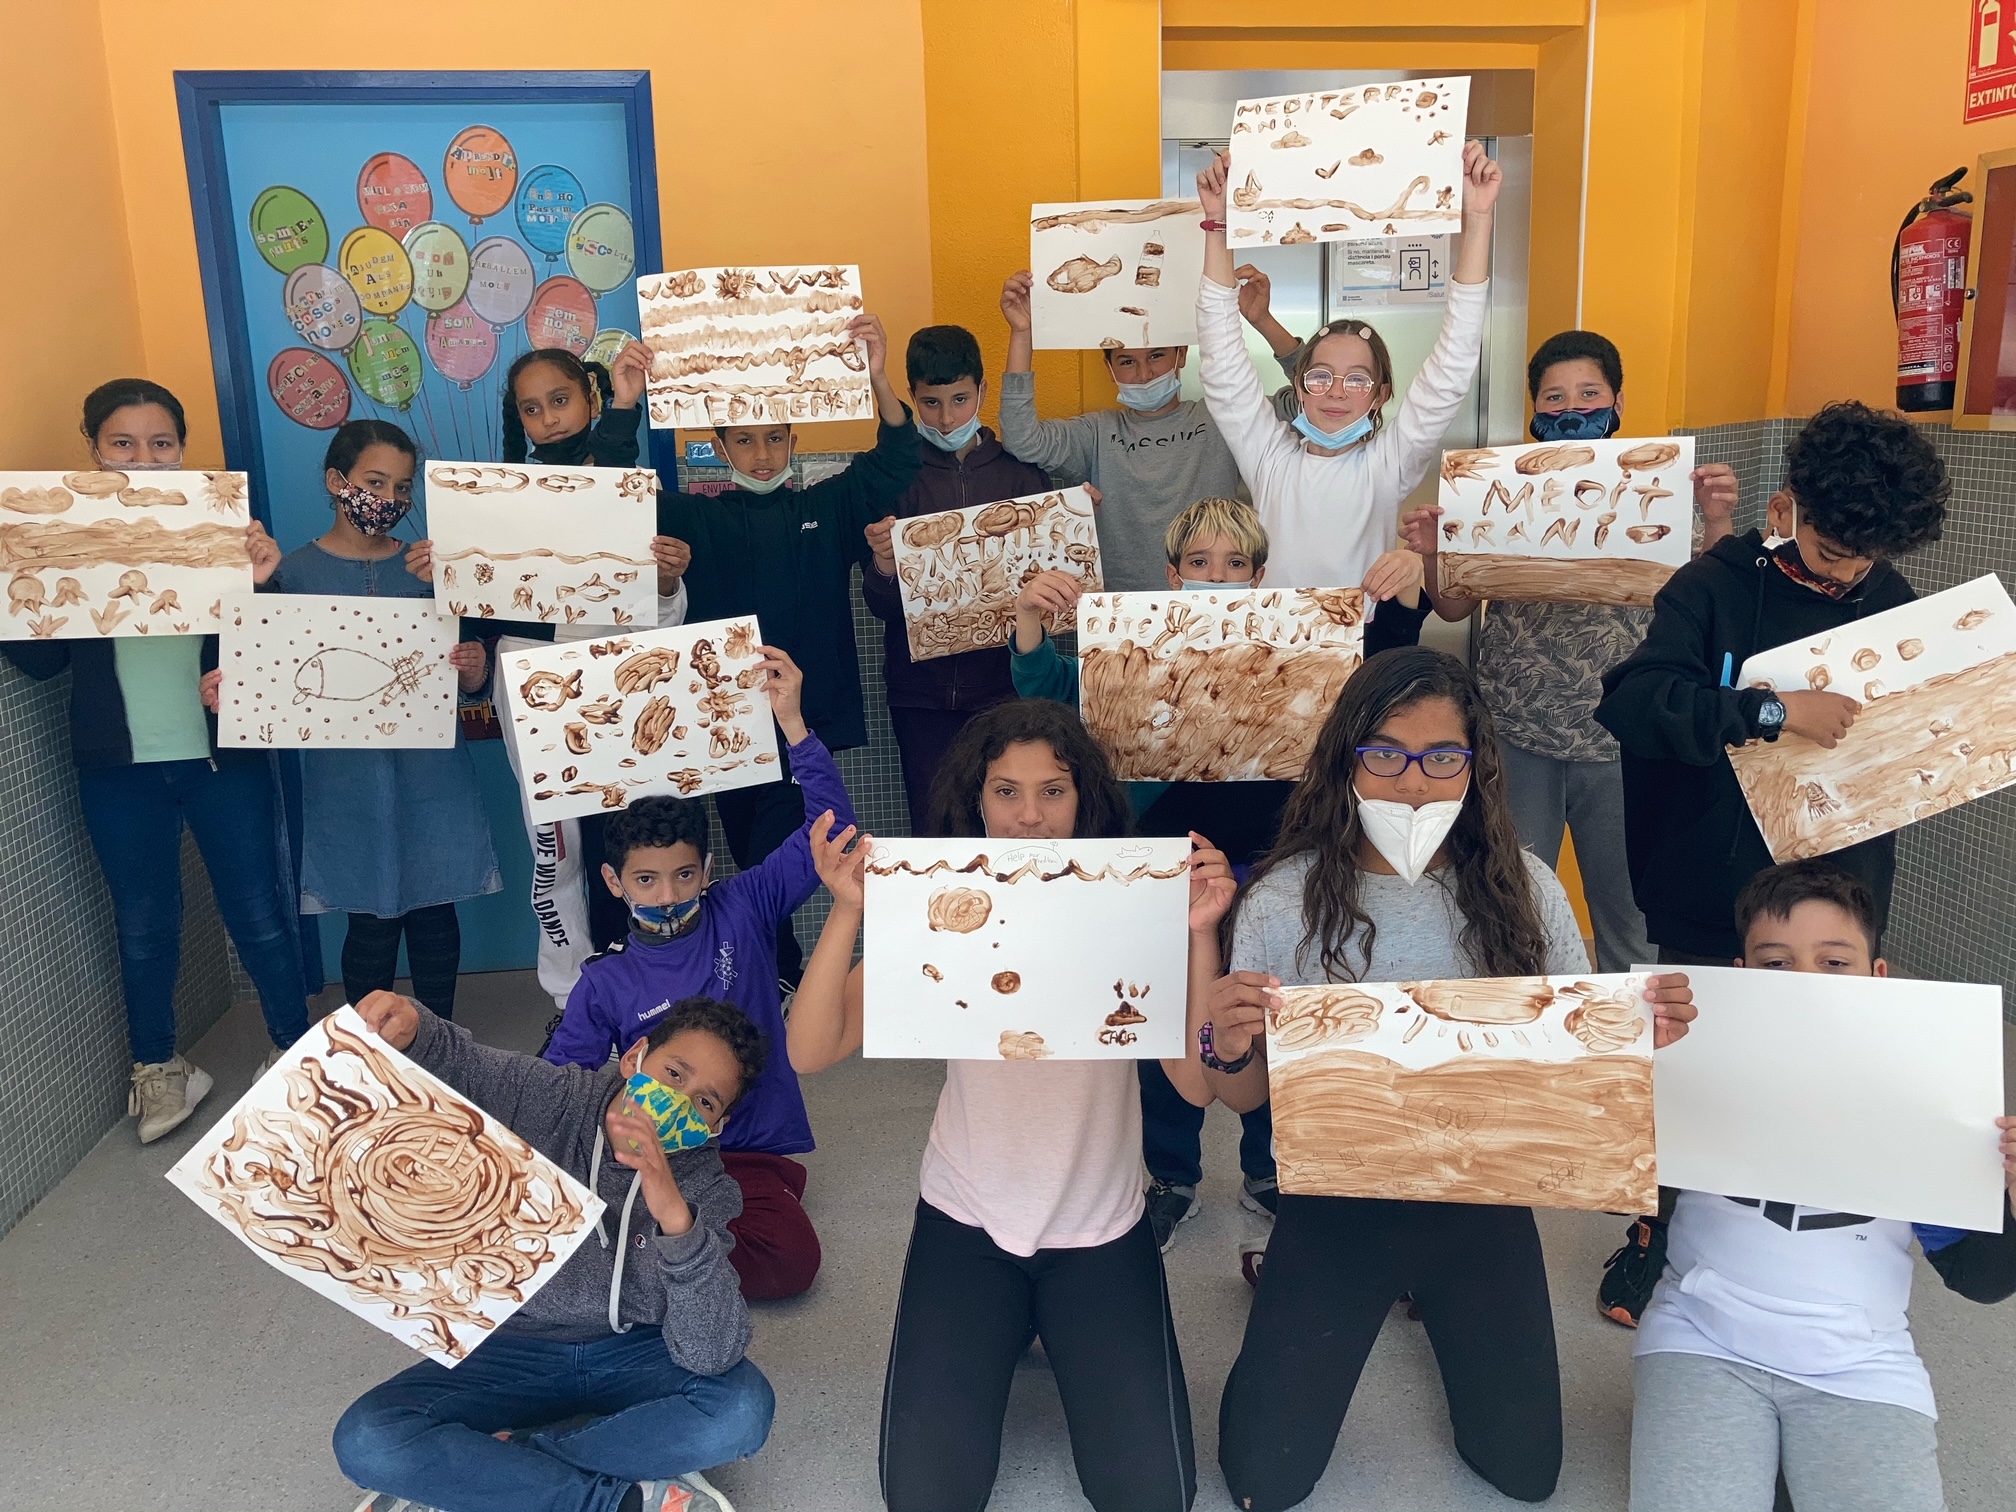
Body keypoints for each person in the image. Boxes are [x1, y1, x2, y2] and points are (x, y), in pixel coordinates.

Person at [1188, 647, 1696, 1507]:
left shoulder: (1526, 888)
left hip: (1480, 1203)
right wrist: (1229, 1043)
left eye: (1441, 757)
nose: (1414, 783)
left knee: (1525, 1473)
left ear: (1477, 764)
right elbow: (1244, 1096)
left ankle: (1423, 1310)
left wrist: (1637, 1038)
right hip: (1336, 1205)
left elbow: (1574, 1077)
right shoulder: (1282, 899)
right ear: (1345, 759)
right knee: (1263, 1480)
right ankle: (1299, 1295)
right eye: (1385, 755)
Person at [786, 699, 1231, 1512]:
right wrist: (848, 909)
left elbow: (1196, 1083)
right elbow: (810, 1049)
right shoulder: (946, 910)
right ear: (978, 800)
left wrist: (1200, 932)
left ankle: (1047, 1327)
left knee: (1152, 1497)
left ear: (1084, 799)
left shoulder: (1130, 908)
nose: (1029, 816)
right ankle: (1018, 1326)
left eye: (1053, 791)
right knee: (925, 1499)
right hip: (969, 1219)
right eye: (1006, 792)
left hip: (1100, 1225)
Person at [1629, 859, 2016, 1512]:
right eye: (1776, 964)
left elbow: (1980, 1277)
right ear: (1741, 976)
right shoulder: (1696, 1062)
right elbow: (1604, 1181)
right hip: (1701, 1340)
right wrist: (1628, 1067)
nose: (1804, 983)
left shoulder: (1929, 1100)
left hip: (1862, 1367)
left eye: (1834, 962)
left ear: (1877, 976)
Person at [2, 379, 309, 1142]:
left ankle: (294, 1052)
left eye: (161, 443)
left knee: (258, 913)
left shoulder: (221, 530)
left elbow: (282, 660)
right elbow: (40, 667)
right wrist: (16, 584)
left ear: (182, 449)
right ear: (93, 449)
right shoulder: (69, 539)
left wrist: (263, 585)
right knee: (143, 923)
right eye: (122, 444)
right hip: (119, 769)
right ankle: (157, 1068)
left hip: (221, 762)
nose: (143, 459)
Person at [336, 989, 774, 1512]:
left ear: (717, 1125)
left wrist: (676, 1219)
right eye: (673, 1074)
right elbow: (463, 1064)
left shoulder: (709, 1185)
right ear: (635, 1058)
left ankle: (492, 1474)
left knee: (742, 1410)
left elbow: (710, 1354)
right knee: (367, 1437)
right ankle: (610, 1501)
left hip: (633, 1350)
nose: (679, 1100)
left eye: (704, 1102)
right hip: (512, 1347)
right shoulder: (556, 1095)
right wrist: (414, 1030)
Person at [1403, 330, 1740, 975]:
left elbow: (1712, 599)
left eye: (1589, 393)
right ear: (1535, 408)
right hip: (1517, 732)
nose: (1571, 408)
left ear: (1618, 401)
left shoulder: (1663, 488)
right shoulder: (1502, 487)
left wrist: (1718, 517)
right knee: (1512, 902)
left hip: (1626, 740)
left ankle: (1625, 1030)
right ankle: (1519, 1020)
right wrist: (1434, 552)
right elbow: (1452, 608)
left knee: (1629, 914)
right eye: (1554, 397)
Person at [541, 647, 854, 1301]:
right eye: (646, 881)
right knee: (568, 1230)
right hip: (656, 1157)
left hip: (749, 1151)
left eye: (684, 875)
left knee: (791, 1262)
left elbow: (832, 831)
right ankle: (665, 1258)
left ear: (707, 870)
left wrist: (794, 726)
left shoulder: (744, 905)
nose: (667, 895)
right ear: (613, 882)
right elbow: (556, 1088)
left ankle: (660, 1264)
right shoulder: (604, 981)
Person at [1595, 401, 1949, 966]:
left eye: (1865, 561)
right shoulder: (1711, 587)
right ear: (1784, 511)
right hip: (1712, 905)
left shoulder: (1889, 597)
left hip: (1839, 905)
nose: (1846, 576)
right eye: (1830, 554)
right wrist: (1776, 711)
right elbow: (1637, 704)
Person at [405, 342, 692, 1017]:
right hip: (529, 678)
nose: (549, 419)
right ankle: (573, 1000)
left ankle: (649, 986)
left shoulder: (635, 488)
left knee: (637, 834)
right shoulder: (496, 504)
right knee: (556, 847)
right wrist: (448, 584)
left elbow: (665, 617)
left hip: (621, 675)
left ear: (589, 397)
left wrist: (667, 581)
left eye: (560, 400)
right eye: (532, 410)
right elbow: (477, 636)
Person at [657, 311, 920, 987]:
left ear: (794, 440)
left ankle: (781, 977)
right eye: (745, 440)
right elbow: (618, 497)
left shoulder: (826, 509)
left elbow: (897, 458)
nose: (763, 455)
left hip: (804, 719)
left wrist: (877, 375)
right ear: (720, 445)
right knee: (753, 856)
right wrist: (629, 402)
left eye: (775, 438)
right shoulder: (698, 519)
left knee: (782, 852)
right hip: (725, 723)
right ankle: (769, 977)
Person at [215, 419, 498, 1020]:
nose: (389, 499)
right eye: (374, 482)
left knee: (435, 907)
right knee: (369, 919)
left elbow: (470, 671)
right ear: (335, 481)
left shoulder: (430, 569)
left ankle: (439, 1041)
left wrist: (474, 665)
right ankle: (368, 1050)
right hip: (343, 777)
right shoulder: (290, 575)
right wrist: (233, 689)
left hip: (433, 771)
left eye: (402, 487)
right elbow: (266, 676)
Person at [1194, 145, 1501, 605]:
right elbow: (1221, 361)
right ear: (1299, 387)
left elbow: (1452, 365)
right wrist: (1219, 224)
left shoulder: (1388, 464)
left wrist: (1477, 220)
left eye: (1357, 380)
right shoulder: (1269, 459)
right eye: (1320, 377)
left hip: (1363, 646)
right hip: (1273, 643)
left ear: (1379, 396)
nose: (1336, 393)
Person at [996, 266, 1298, 593]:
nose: (1144, 374)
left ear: (1181, 355)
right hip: (1121, 606)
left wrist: (1263, 321)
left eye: (1156, 356)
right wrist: (1022, 334)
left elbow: (1305, 402)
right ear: (1109, 368)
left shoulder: (1224, 416)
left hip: (1210, 597)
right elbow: (1021, 439)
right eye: (1127, 361)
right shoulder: (1097, 433)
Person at [859, 323, 1051, 829]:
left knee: (1009, 825)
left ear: (982, 392)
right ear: (912, 398)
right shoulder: (893, 478)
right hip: (921, 695)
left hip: (1006, 688)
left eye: (960, 400)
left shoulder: (1022, 474)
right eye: (931, 403)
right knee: (935, 828)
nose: (947, 419)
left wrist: (1073, 521)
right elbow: (879, 605)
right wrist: (883, 564)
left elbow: (1052, 588)